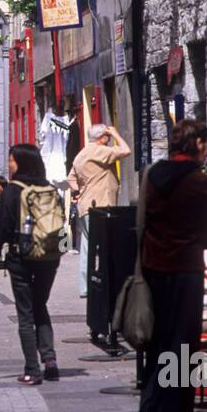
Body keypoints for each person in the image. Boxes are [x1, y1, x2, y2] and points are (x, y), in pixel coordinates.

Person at [136, 119, 207, 412]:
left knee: (158, 346)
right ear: (198, 144)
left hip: (153, 269)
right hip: (185, 271)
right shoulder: (199, 182)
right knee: (183, 349)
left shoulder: (152, 176)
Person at [0, 144, 64, 385]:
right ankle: (50, 361)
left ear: (21, 162)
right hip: (49, 257)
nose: (8, 164)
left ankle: (32, 369)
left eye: (11, 160)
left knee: (26, 313)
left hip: (21, 258)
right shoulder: (49, 188)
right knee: (41, 305)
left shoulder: (11, 192)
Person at [67, 123, 132, 298]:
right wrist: (116, 133)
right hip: (101, 205)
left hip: (85, 206)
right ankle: (107, 282)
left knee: (87, 247)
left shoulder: (81, 154)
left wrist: (77, 190)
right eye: (107, 137)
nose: (109, 140)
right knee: (106, 245)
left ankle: (85, 286)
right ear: (101, 137)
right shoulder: (99, 151)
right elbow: (126, 150)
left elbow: (70, 178)